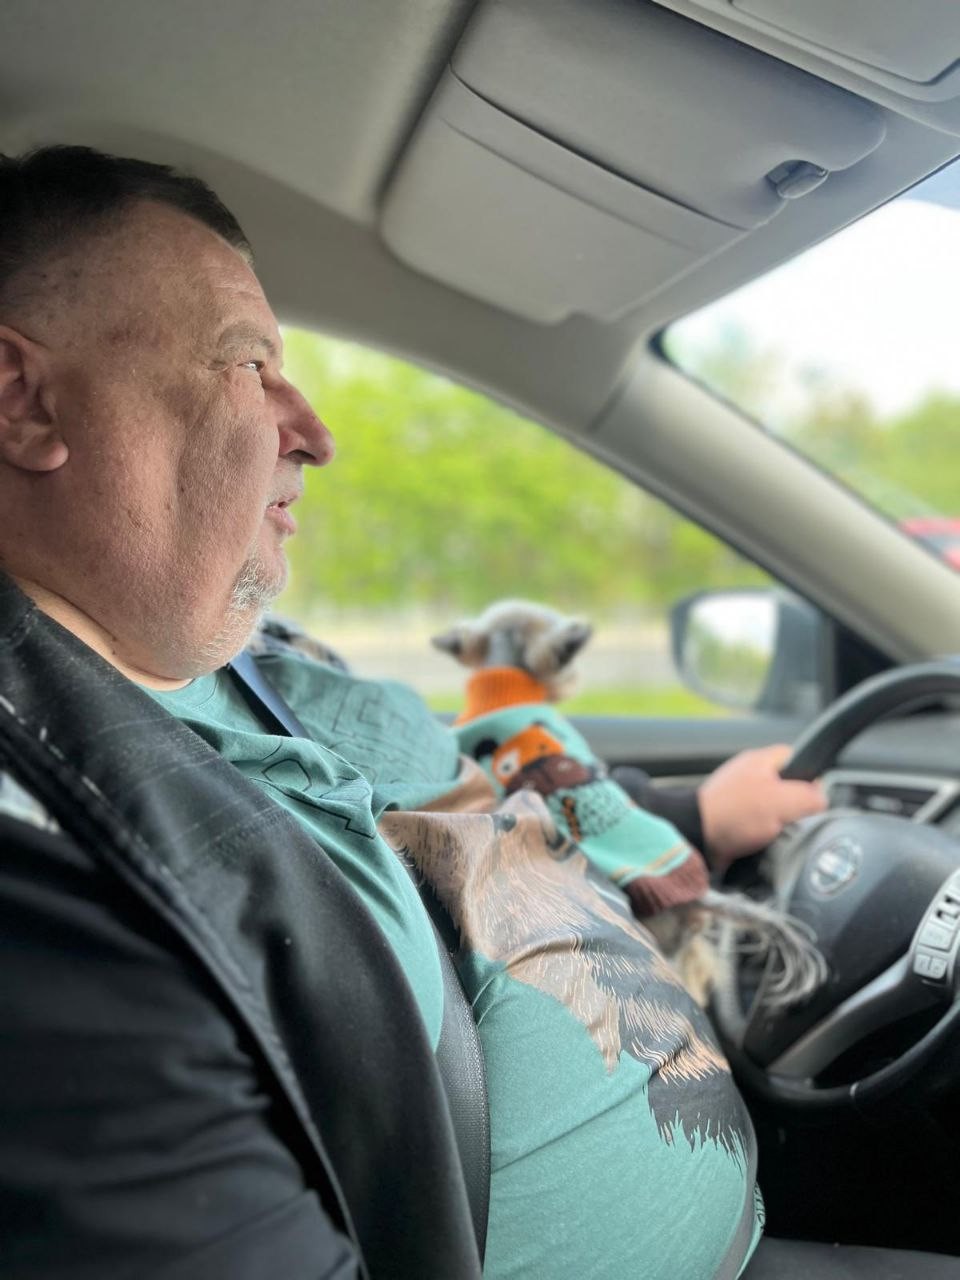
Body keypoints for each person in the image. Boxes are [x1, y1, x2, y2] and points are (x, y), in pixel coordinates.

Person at [0, 146, 954, 1280]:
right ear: (23, 401)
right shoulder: (47, 883)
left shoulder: (254, 656)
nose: (315, 432)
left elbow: (465, 791)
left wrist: (695, 812)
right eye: (249, 364)